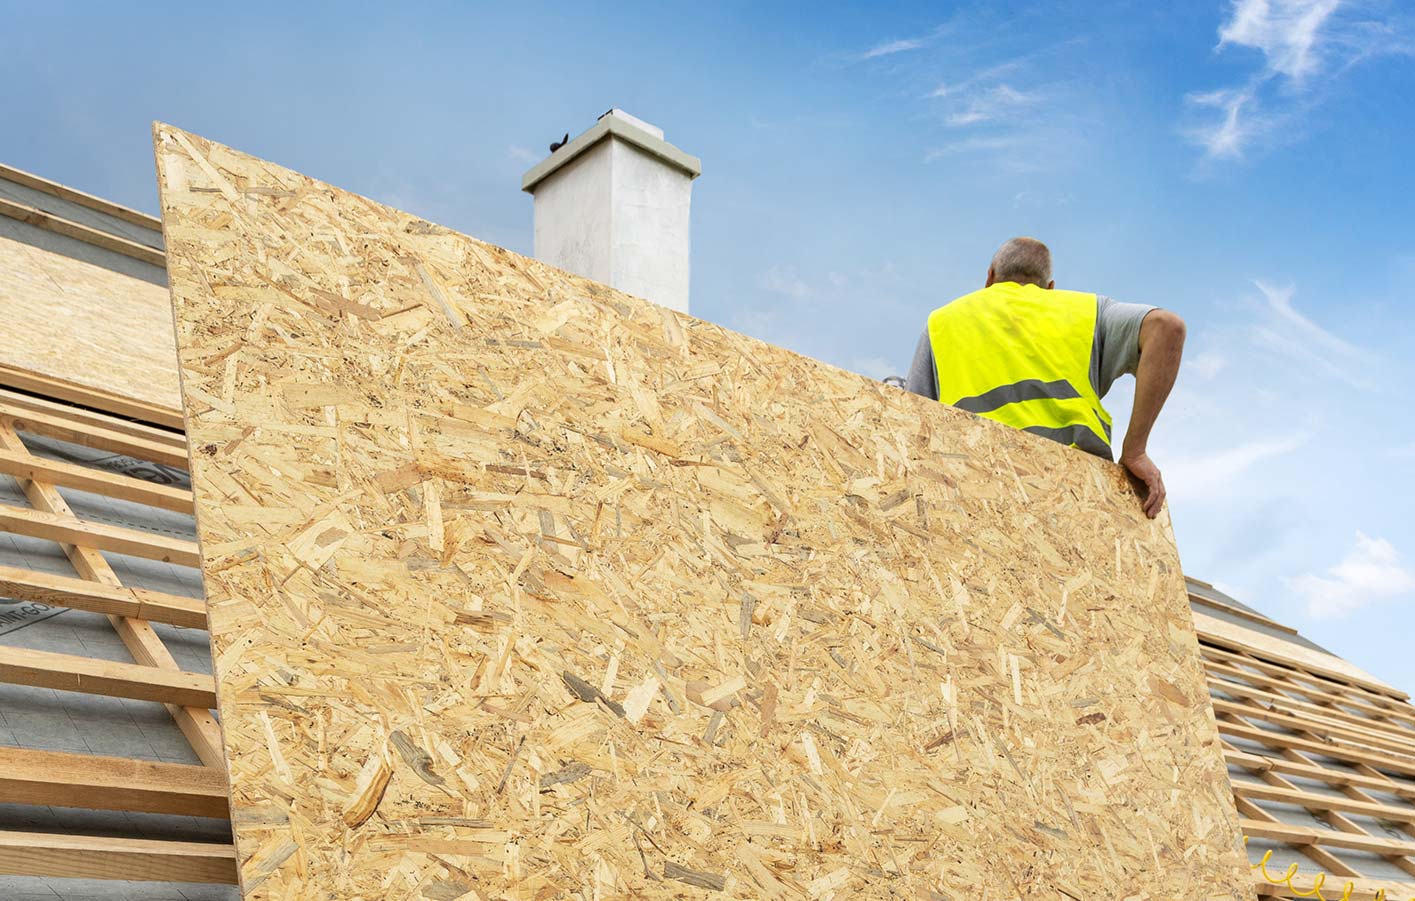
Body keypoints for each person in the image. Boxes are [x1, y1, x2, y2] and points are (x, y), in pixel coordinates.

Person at [904, 237, 1185, 519]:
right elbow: (1167, 327)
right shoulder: (1086, 311)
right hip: (1079, 491)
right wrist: (1135, 451)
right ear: (1050, 287)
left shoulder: (942, 322)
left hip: (973, 491)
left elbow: (912, 423)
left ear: (990, 276)